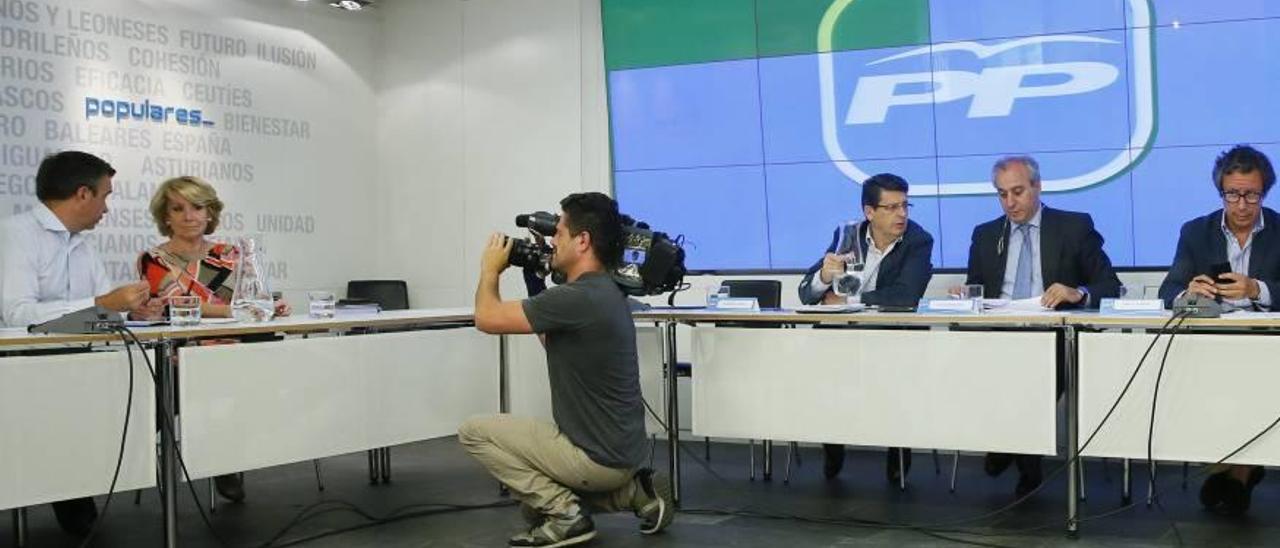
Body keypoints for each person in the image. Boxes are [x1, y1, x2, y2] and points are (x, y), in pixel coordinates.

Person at [459, 192, 672, 547]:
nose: (553, 242)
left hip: (594, 458)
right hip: (622, 455)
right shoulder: (606, 292)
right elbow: (554, 341)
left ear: (583, 241)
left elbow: (486, 317)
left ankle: (568, 515)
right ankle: (634, 494)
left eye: (559, 233)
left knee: (474, 432)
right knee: (531, 510)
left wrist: (490, 268)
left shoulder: (577, 298)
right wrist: (535, 282)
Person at [0, 151, 160, 537]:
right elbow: (17, 315)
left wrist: (133, 311)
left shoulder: (83, 245)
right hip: (24, 369)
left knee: (147, 392)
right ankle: (70, 498)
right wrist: (105, 304)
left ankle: (80, 493)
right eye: (105, 196)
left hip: (78, 366)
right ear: (83, 194)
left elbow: (104, 309)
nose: (107, 208)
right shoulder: (15, 234)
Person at [962, 155, 1121, 497]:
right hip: (998, 335)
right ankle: (1019, 449)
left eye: (1017, 192)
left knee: (1035, 368)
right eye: (1001, 194)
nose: (1010, 202)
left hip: (1053, 336)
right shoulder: (986, 235)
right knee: (975, 363)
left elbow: (1110, 285)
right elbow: (975, 287)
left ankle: (1015, 449)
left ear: (1037, 186)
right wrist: (965, 294)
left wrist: (1076, 292)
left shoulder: (1074, 227)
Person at [137, 175, 290, 503]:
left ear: (210, 213)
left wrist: (271, 307)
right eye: (178, 208)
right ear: (166, 217)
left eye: (197, 207)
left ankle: (225, 457)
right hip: (181, 355)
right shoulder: (153, 259)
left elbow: (252, 297)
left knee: (263, 373)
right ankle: (220, 460)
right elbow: (180, 306)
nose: (189, 215)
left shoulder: (230, 253)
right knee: (197, 381)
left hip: (232, 351)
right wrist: (242, 310)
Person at [1157, 144, 1277, 515]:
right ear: (1221, 192)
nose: (1241, 205)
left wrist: (1257, 289)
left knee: (1255, 385)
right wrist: (1187, 292)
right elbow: (1167, 291)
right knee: (1205, 387)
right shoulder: (1195, 231)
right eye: (1233, 195)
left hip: (1267, 344)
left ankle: (1237, 473)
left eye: (1251, 195)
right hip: (1211, 342)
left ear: (1264, 192)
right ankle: (1230, 469)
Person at [797, 173, 934, 483]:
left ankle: (899, 451)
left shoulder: (918, 240)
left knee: (895, 379)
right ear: (869, 212)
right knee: (822, 368)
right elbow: (806, 293)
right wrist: (823, 275)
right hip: (843, 338)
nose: (902, 214)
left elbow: (905, 295)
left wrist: (849, 300)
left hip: (891, 337)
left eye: (905, 205)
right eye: (892, 207)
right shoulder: (847, 234)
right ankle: (832, 443)